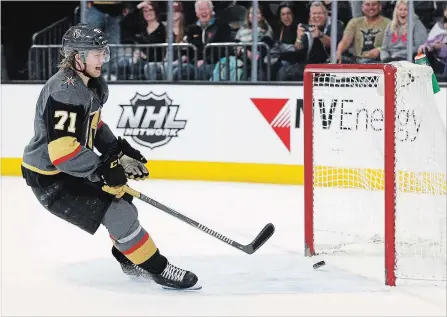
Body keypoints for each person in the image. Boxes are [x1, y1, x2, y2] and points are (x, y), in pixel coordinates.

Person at [21, 23, 200, 291]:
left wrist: (117, 152)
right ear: (77, 57)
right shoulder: (65, 91)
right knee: (118, 212)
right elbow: (63, 153)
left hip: (68, 170)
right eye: (97, 53)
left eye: (104, 52)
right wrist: (104, 169)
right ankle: (160, 270)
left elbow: (95, 126)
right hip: (52, 180)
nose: (103, 58)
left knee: (123, 198)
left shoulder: (89, 84)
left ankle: (129, 258)